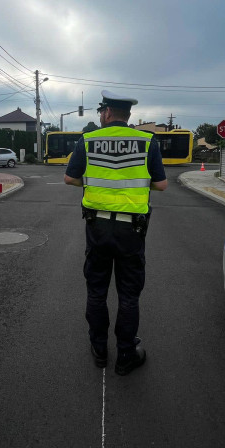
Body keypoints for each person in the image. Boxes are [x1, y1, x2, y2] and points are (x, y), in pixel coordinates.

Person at [64, 89, 167, 375]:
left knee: (96, 291)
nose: (100, 115)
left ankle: (99, 349)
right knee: (128, 295)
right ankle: (125, 355)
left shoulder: (89, 139)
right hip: (131, 230)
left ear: (107, 113)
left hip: (97, 227)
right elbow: (161, 185)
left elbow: (70, 178)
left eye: (101, 111)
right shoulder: (148, 141)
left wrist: (95, 183)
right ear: (128, 114)